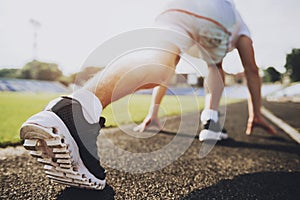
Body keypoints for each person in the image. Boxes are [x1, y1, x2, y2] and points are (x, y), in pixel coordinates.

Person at [20, 0, 276, 190]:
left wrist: (154, 112)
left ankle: (78, 106)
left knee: (158, 65)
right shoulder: (239, 20)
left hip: (176, 7)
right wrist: (256, 113)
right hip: (217, 18)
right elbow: (252, 70)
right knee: (215, 65)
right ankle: (211, 123)